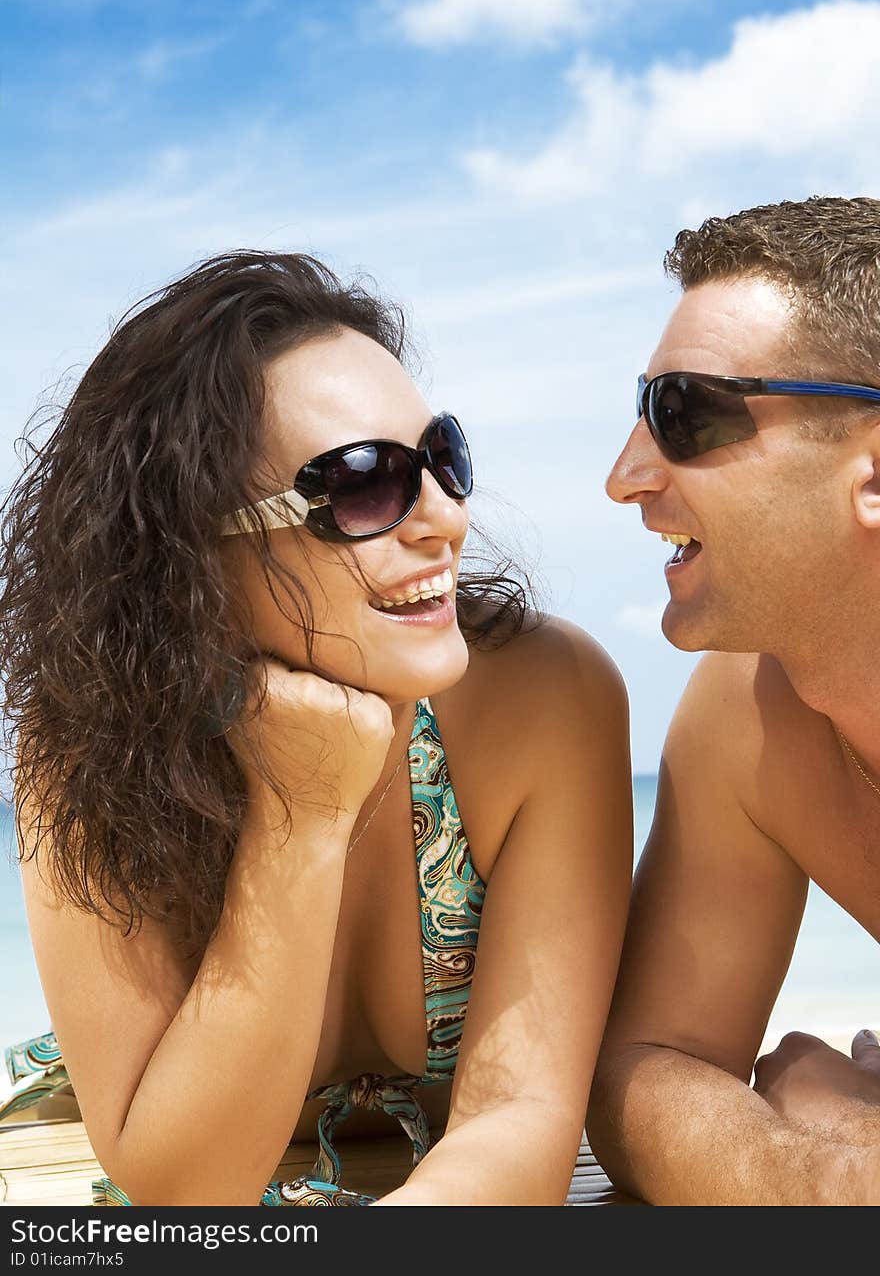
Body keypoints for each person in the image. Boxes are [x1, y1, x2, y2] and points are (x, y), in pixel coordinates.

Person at [0, 251, 632, 1206]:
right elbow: (184, 1193)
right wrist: (299, 816)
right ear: (189, 555)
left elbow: (520, 1128)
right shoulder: (92, 748)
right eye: (366, 483)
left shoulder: (547, 694)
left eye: (443, 460)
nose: (446, 518)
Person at [591, 196, 880, 1206]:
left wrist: (832, 1104)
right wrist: (814, 1176)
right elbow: (647, 1060)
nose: (625, 476)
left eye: (687, 413)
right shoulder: (746, 716)